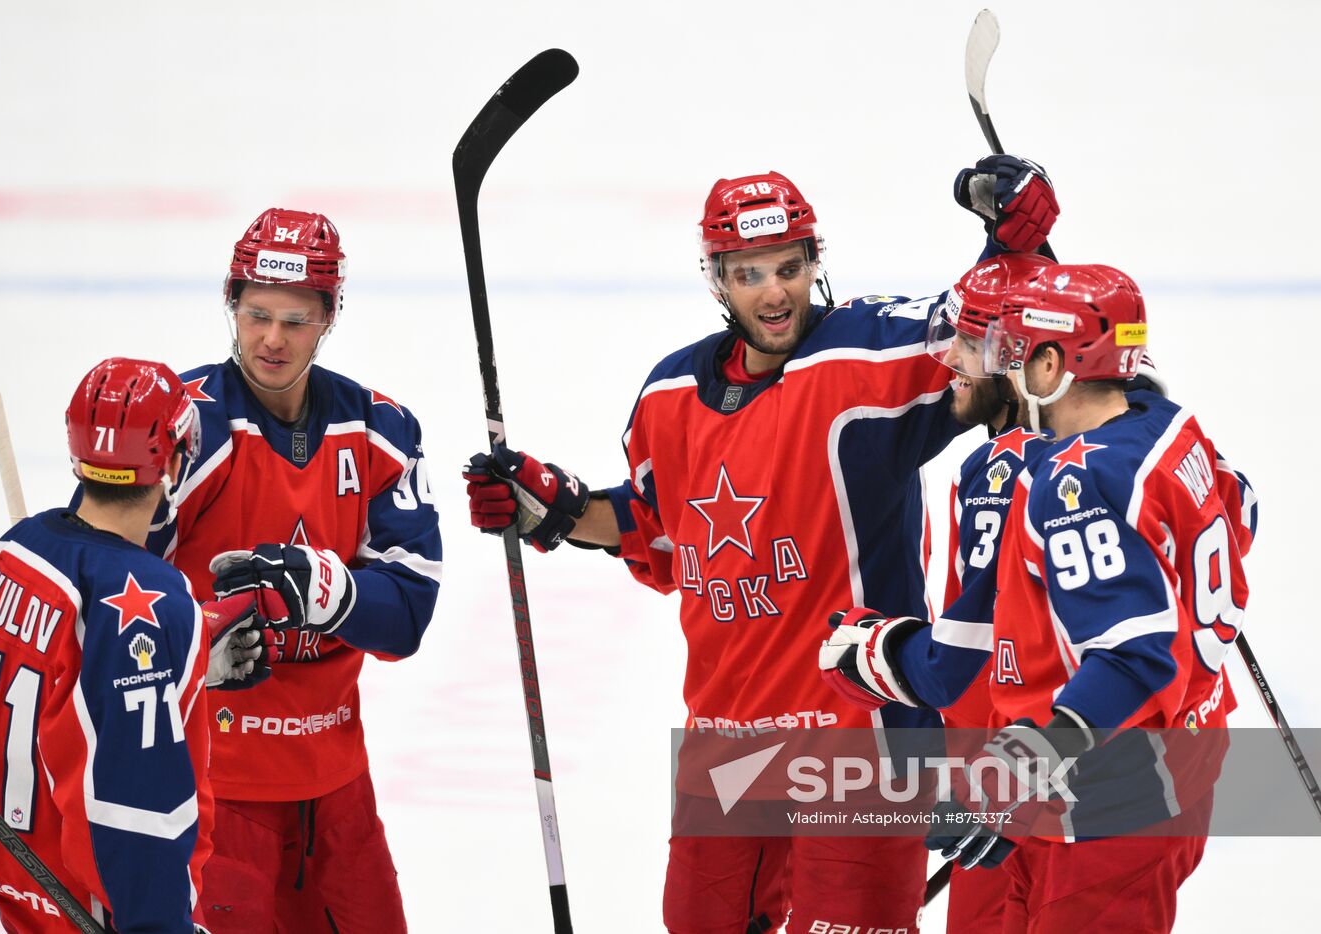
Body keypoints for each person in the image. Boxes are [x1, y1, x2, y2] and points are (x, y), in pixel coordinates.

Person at [464, 157, 1059, 933]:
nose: (773, 291)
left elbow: (986, 323)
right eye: (748, 273)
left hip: (861, 742)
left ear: (815, 263)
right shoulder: (668, 395)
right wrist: (553, 508)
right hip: (728, 748)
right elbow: (658, 533)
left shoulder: (867, 356)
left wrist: (1014, 236)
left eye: (788, 267)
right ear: (716, 278)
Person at [820, 263, 1254, 931]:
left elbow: (1133, 655)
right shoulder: (1168, 425)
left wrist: (1013, 772)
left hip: (1112, 801)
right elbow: (1242, 510)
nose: (988, 361)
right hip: (1173, 757)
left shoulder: (1075, 480)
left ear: (1053, 365)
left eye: (1011, 349)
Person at [146, 208, 443, 933]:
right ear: (231, 303)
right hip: (213, 793)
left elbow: (405, 618)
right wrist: (195, 647)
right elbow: (103, 595)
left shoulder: (380, 429)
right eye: (255, 316)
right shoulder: (184, 426)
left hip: (338, 791)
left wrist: (328, 589)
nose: (272, 339)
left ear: (329, 315)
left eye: (295, 320)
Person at [0, 357, 269, 933]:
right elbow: (137, 802)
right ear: (172, 457)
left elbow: (56, 693)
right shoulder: (152, 597)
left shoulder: (18, 548)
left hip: (17, 878)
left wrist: (186, 669)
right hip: (93, 905)